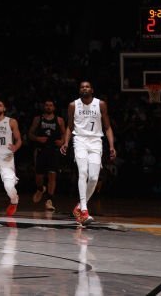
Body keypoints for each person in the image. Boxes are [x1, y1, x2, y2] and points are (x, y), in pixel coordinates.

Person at [60, 81, 116, 226]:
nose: (84, 88)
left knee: (94, 177)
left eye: (87, 86)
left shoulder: (100, 104)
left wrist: (111, 146)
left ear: (92, 90)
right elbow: (69, 126)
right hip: (80, 140)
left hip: (96, 141)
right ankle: (84, 210)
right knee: (83, 172)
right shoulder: (73, 105)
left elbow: (107, 127)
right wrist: (66, 142)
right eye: (82, 87)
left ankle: (79, 206)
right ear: (79, 90)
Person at [29, 99, 66, 212]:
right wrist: (37, 138)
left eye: (51, 105)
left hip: (54, 150)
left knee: (52, 175)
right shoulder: (38, 119)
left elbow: (64, 134)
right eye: (47, 105)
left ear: (54, 107)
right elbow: (30, 134)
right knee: (39, 176)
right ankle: (40, 189)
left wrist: (62, 141)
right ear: (44, 107)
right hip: (41, 150)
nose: (49, 107)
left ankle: (49, 200)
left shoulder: (59, 120)